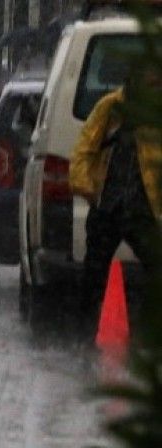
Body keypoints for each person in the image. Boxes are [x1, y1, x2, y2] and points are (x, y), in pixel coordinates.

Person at [71, 68, 162, 336]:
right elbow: (84, 148)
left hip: (141, 208)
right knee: (94, 275)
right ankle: (85, 333)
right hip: (107, 206)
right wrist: (84, 186)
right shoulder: (110, 108)